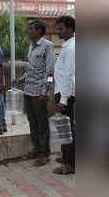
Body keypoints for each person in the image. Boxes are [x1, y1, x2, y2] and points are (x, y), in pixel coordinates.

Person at [13, 20, 55, 166]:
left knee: (42, 123)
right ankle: (37, 149)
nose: (28, 31)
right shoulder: (31, 46)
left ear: (39, 31)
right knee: (32, 121)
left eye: (31, 29)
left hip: (39, 92)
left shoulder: (47, 46)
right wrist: (21, 79)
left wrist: (45, 92)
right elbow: (31, 67)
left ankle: (44, 153)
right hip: (29, 90)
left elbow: (50, 71)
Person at [52, 16, 75, 174]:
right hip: (63, 91)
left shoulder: (71, 48)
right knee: (64, 128)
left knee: (67, 129)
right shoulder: (69, 45)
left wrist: (63, 100)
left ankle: (70, 164)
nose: (58, 32)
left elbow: (69, 75)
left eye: (61, 29)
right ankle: (67, 157)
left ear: (70, 28)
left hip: (65, 93)